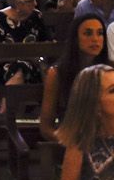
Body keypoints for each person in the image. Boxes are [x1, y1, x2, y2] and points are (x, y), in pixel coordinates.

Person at [41, 12, 108, 140]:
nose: (95, 39)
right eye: (88, 33)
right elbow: (46, 127)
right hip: (72, 140)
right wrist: (66, 141)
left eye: (100, 33)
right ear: (75, 39)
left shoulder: (111, 70)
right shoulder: (56, 73)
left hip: (106, 139)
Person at [0, 0, 49, 85]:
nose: (35, 3)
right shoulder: (0, 18)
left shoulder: (36, 16)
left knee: (26, 69)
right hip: (5, 64)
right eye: (31, 0)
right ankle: (8, 100)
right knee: (19, 70)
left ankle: (7, 101)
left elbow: (46, 42)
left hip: (34, 63)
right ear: (18, 4)